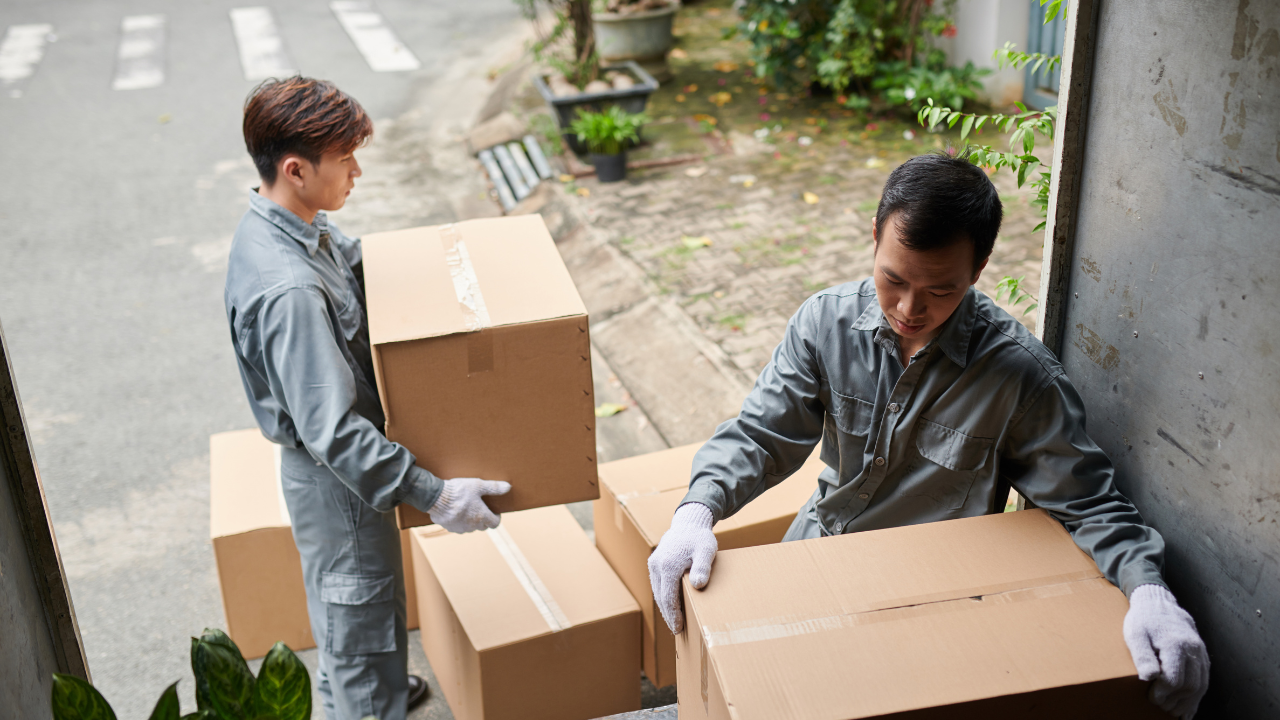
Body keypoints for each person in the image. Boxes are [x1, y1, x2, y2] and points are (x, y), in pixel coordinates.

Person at [648, 152, 1211, 719]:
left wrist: (1148, 591)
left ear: (979, 266)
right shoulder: (824, 324)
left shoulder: (1020, 378)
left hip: (932, 599)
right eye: (893, 279)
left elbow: (1088, 502)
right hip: (816, 558)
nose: (909, 309)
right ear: (874, 236)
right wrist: (696, 511)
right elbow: (762, 433)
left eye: (941, 291)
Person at [224, 77, 510, 720]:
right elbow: (332, 432)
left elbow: (358, 265)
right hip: (339, 484)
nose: (358, 169)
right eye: (345, 157)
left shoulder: (292, 227)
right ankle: (367, 703)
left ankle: (364, 689)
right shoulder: (289, 290)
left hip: (341, 478)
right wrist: (435, 493)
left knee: (354, 610)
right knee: (361, 617)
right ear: (296, 169)